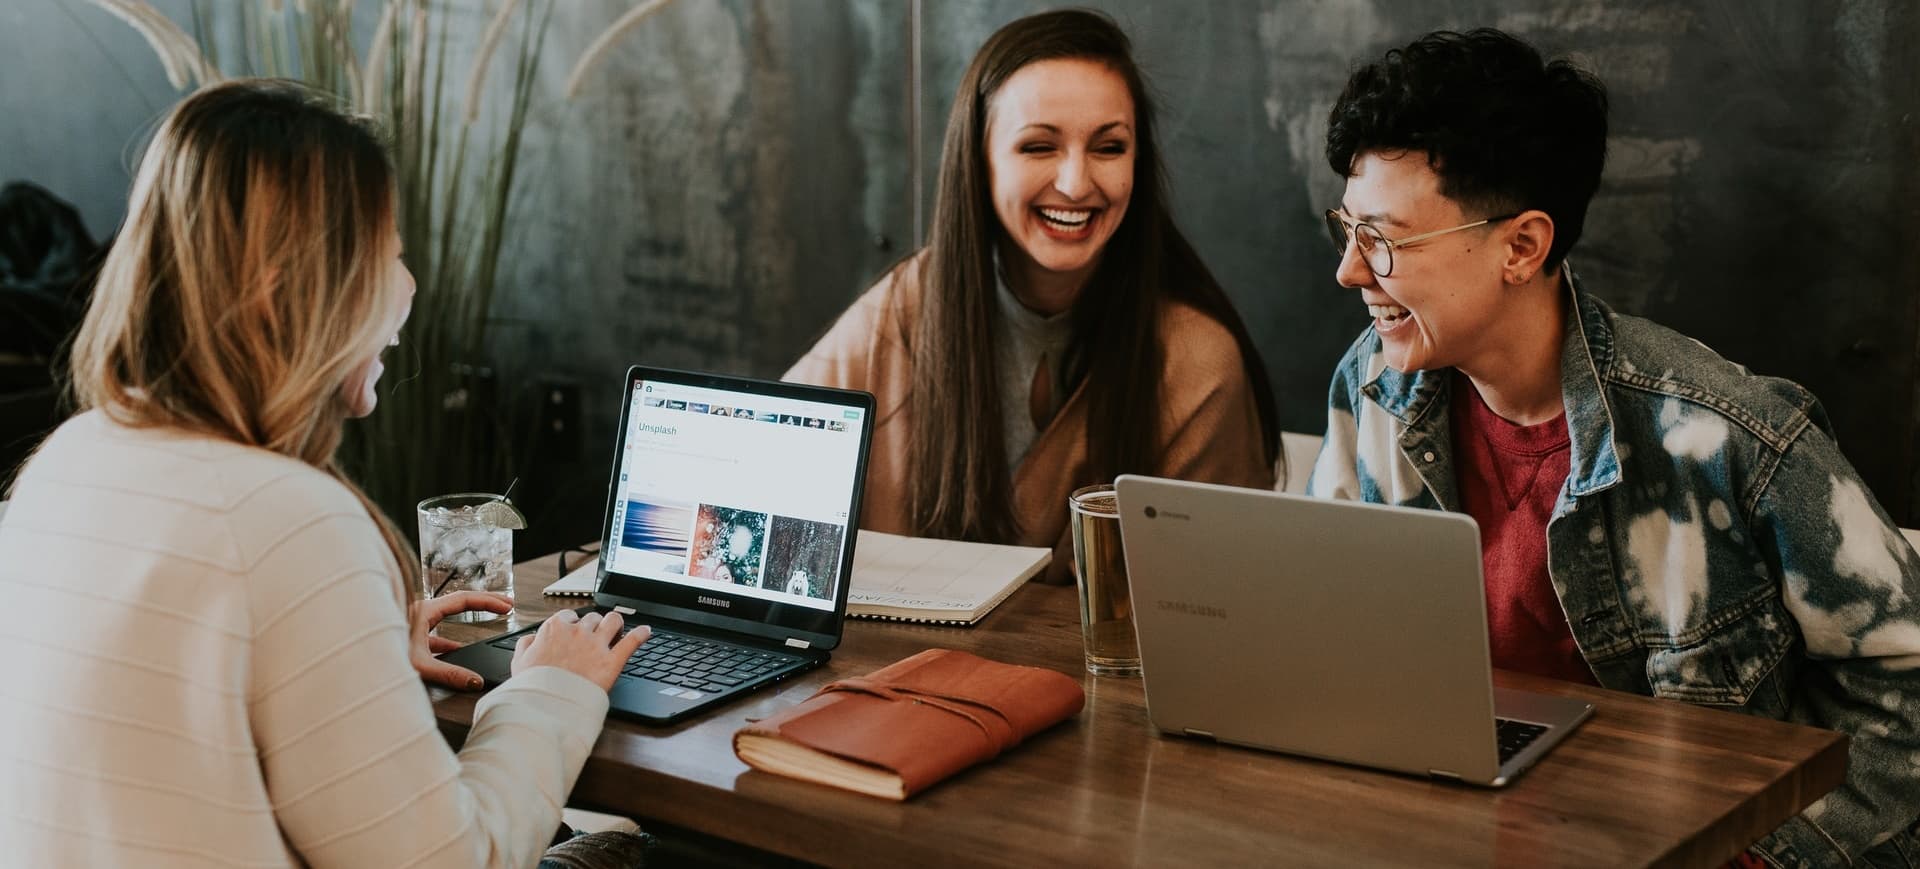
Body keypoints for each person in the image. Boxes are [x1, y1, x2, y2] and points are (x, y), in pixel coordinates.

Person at [1306, 29, 1920, 866]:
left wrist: (1749, 851)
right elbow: (1321, 629)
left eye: (1382, 239)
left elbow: (1905, 684)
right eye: (1346, 226)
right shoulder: (1374, 383)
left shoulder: (1727, 435)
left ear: (1521, 246)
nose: (1348, 270)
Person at [0, 79, 652, 867]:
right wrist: (551, 688)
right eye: (388, 255)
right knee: (630, 849)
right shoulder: (287, 519)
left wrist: (354, 648)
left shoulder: (64, 463)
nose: (407, 288)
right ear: (291, 288)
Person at [787, 9, 1278, 581]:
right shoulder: (901, 310)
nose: (1075, 183)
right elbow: (761, 470)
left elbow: (1219, 602)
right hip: (890, 669)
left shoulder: (1197, 362)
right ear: (980, 161)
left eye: (1109, 147)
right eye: (1039, 147)